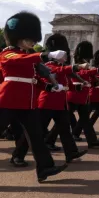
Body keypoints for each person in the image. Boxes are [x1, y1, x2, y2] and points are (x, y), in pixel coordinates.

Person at [0, 11, 68, 182]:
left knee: (37, 137)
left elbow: (33, 79)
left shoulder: (27, 56)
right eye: (29, 38)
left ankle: (45, 167)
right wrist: (45, 55)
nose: (33, 42)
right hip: (8, 100)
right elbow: (17, 61)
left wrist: (51, 87)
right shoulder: (7, 53)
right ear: (17, 37)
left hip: (27, 103)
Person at [36, 34, 89, 161]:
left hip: (60, 104)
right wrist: (76, 67)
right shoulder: (48, 66)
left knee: (65, 129)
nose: (66, 57)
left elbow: (68, 84)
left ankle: (71, 153)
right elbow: (58, 72)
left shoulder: (60, 68)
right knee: (36, 131)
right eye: (64, 56)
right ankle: (18, 154)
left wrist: (79, 86)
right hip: (47, 102)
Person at [65, 41, 99, 147]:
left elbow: (91, 77)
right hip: (74, 94)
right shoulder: (75, 65)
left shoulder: (85, 65)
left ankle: (91, 141)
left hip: (83, 96)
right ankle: (50, 139)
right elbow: (80, 74)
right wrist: (97, 70)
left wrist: (98, 79)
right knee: (63, 119)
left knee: (85, 119)